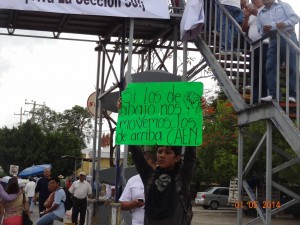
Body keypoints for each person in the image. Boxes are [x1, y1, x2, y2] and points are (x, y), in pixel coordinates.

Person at [117, 97, 206, 225]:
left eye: (168, 152)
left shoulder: (182, 177)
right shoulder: (149, 176)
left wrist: (196, 113)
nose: (162, 155)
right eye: (159, 151)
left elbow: (191, 155)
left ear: (177, 158)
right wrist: (124, 113)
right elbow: (135, 149)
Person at [257, 0, 299, 102]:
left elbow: (295, 18)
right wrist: (264, 29)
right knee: (270, 66)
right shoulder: (260, 13)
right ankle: (274, 94)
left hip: (288, 36)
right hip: (273, 40)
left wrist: (284, 23)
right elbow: (259, 29)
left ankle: (292, 95)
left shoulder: (283, 5)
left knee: (291, 66)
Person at [119, 151, 156, 225]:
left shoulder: (162, 180)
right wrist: (134, 204)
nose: (145, 170)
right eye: (142, 167)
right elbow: (122, 205)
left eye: (148, 167)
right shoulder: (132, 181)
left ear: (154, 164)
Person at [242, 0, 268, 103]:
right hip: (253, 47)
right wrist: (247, 16)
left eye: (256, 0)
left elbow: (269, 24)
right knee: (254, 74)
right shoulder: (252, 13)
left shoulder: (267, 10)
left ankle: (265, 96)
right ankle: (256, 98)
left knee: (264, 72)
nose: (254, 2)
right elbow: (244, 29)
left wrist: (256, 13)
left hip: (265, 44)